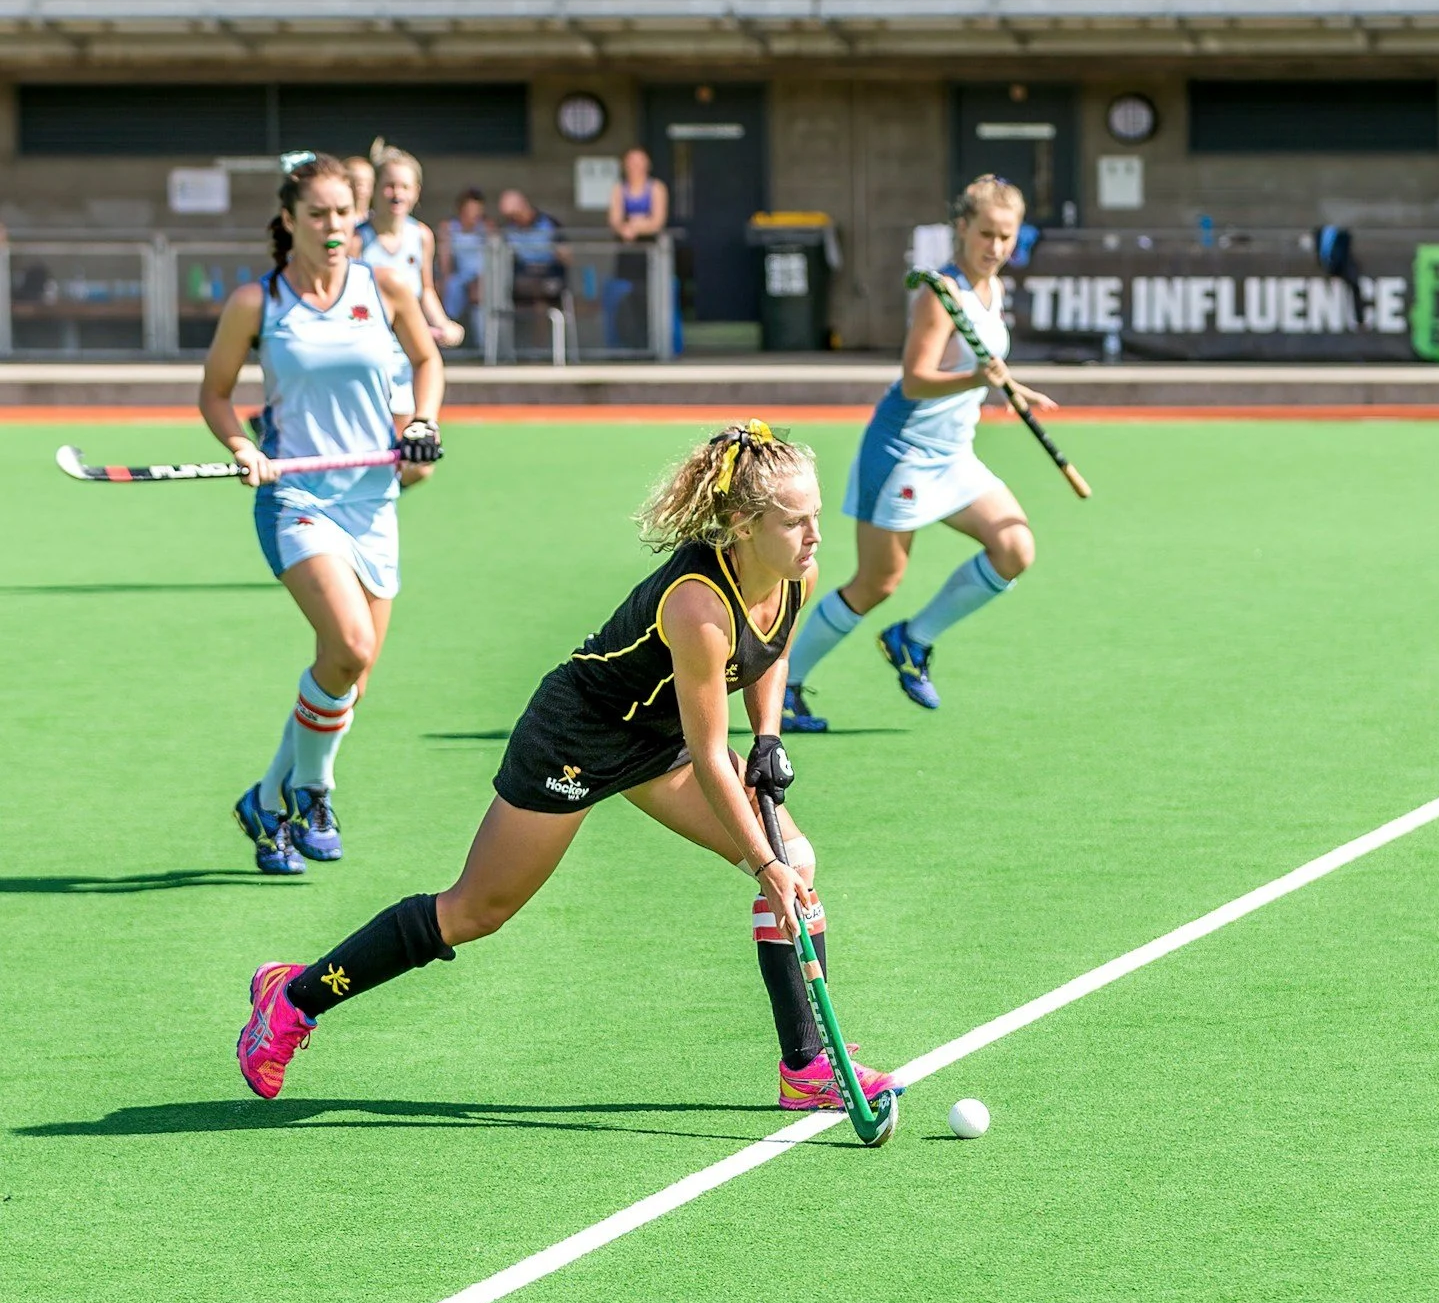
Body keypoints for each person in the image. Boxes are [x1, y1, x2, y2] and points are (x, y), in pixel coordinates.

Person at [233, 424, 896, 1116]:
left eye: (816, 516)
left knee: (800, 859)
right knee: (476, 910)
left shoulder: (794, 571)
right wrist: (765, 868)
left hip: (655, 735)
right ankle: (293, 996)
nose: (815, 534)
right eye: (795, 522)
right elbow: (706, 759)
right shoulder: (698, 605)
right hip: (576, 735)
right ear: (742, 524)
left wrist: (766, 734)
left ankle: (807, 1068)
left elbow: (768, 646)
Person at [198, 152, 446, 874]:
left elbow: (426, 362)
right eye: (318, 215)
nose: (334, 227)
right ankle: (314, 788)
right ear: (289, 220)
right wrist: (243, 445)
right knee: (350, 647)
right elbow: (215, 394)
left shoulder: (387, 285)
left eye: (343, 213)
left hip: (374, 499)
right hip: (297, 498)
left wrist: (422, 424)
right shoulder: (258, 302)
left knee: (348, 680)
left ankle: (266, 801)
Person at [780, 175, 1056, 729]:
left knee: (1014, 546)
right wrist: (975, 377)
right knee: (877, 582)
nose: (996, 247)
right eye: (986, 234)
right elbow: (915, 380)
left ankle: (913, 640)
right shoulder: (941, 293)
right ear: (963, 228)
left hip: (954, 455)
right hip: (902, 451)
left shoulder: (992, 289)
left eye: (1007, 236)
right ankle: (785, 687)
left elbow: (979, 368)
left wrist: (1006, 386)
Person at [352, 145, 467, 433]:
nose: (397, 194)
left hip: (406, 351)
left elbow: (425, 290)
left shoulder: (421, 236)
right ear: (375, 190)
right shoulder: (356, 240)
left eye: (404, 186)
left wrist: (443, 323)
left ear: (416, 192)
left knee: (409, 441)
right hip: (365, 352)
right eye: (389, 185)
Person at [603, 146, 670, 350]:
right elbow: (615, 220)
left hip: (651, 255)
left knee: (649, 297)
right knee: (626, 299)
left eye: (640, 162)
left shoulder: (656, 188)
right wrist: (628, 226)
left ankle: (654, 343)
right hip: (627, 253)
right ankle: (628, 344)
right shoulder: (619, 189)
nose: (636, 167)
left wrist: (635, 226)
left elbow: (657, 221)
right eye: (632, 162)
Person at [499, 187, 571, 351]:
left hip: (550, 279)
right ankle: (516, 351)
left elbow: (568, 257)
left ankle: (539, 350)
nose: (514, 219)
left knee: (540, 302)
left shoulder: (550, 224)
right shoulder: (508, 230)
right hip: (521, 282)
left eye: (516, 214)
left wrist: (558, 252)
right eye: (510, 217)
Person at [438, 187, 492, 333]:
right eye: (470, 210)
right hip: (461, 276)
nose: (474, 215)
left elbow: (496, 257)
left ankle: (483, 345)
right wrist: (445, 280)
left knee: (480, 292)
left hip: (484, 276)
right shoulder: (448, 227)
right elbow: (445, 262)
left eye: (477, 211)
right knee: (450, 287)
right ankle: (449, 333)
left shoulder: (487, 228)